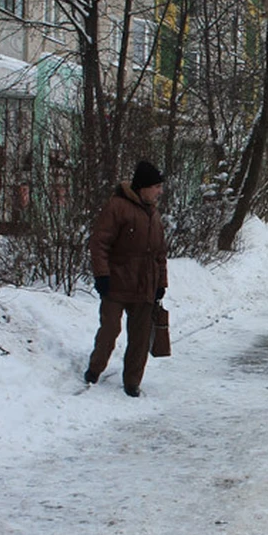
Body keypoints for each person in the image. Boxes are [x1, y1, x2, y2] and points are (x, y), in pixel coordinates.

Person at [85, 160, 168, 397]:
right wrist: (102, 275)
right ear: (142, 187)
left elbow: (160, 253)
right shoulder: (117, 207)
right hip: (116, 282)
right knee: (110, 330)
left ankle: (132, 382)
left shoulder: (154, 214)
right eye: (156, 186)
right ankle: (94, 368)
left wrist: (161, 283)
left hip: (145, 286)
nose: (159, 191)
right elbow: (99, 243)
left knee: (140, 338)